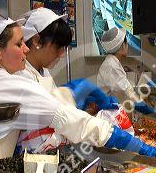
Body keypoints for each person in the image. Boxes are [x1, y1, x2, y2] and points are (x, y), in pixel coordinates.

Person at [0, 18, 156, 169]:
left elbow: (47, 101)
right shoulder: (6, 83)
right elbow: (72, 121)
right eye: (19, 44)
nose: (26, 48)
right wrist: (134, 145)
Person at [15, 8, 119, 153]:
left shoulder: (43, 71)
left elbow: (53, 105)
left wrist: (72, 100)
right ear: (37, 41)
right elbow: (54, 114)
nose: (62, 54)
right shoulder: (20, 74)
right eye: (58, 47)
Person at [97, 27, 155, 114]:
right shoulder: (111, 65)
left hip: (114, 113)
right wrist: (148, 110)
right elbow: (127, 93)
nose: (127, 45)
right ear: (122, 45)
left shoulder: (112, 63)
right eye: (126, 43)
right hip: (110, 115)